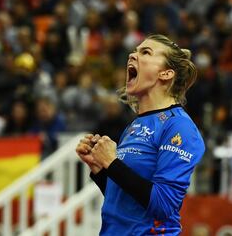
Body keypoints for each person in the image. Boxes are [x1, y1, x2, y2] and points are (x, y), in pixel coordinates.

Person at [76, 34, 205, 235]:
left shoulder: (179, 126)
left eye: (146, 52)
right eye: (135, 50)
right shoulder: (135, 125)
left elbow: (162, 206)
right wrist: (100, 169)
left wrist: (112, 163)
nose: (132, 55)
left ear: (166, 74)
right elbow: (125, 202)